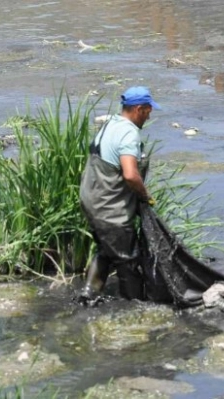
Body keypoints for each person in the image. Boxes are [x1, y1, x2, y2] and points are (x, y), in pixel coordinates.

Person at [77, 86, 161, 303]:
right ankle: (133, 305)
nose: (148, 116)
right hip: (110, 208)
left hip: (91, 202)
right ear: (139, 109)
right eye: (148, 111)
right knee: (127, 258)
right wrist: (145, 196)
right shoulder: (128, 133)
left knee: (106, 249)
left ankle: (88, 293)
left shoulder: (111, 124)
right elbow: (131, 175)